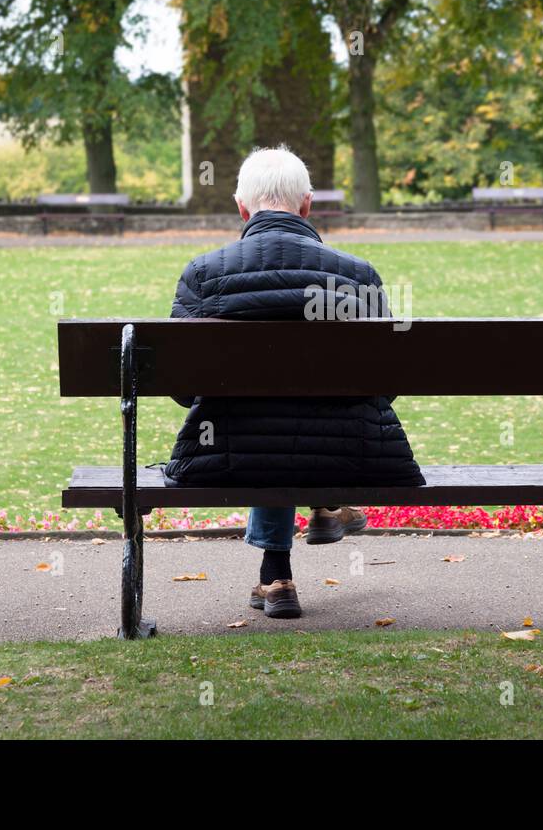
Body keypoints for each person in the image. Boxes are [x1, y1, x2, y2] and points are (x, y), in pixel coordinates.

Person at [163, 146, 424, 618]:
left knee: (264, 425)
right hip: (351, 449)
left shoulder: (203, 274)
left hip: (229, 451)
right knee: (292, 423)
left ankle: (278, 574)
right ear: (307, 205)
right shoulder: (357, 274)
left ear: (242, 208)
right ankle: (323, 507)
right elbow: (383, 384)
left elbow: (184, 391)